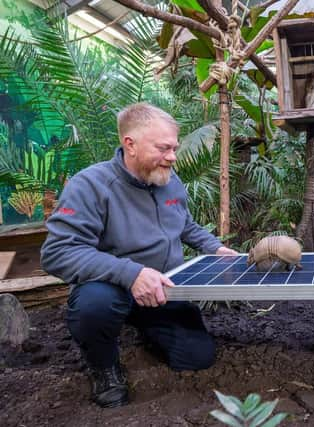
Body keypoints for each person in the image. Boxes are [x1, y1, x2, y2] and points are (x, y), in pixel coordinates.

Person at [41, 103, 238, 408]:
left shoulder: (168, 180)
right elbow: (58, 252)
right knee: (94, 306)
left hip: (164, 290)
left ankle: (147, 329)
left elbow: (184, 224)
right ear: (129, 144)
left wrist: (215, 248)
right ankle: (103, 365)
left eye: (174, 147)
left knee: (198, 357)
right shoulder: (90, 186)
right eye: (163, 148)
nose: (172, 156)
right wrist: (131, 274)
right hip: (112, 288)